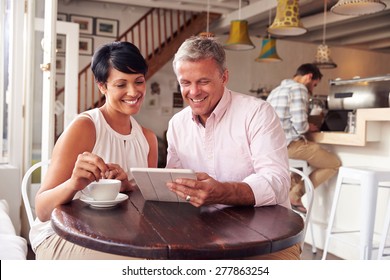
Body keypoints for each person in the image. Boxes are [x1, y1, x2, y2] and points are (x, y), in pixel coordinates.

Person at [165, 36, 300, 260]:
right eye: (185, 83)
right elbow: (175, 187)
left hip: (266, 241)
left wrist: (223, 192)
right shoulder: (176, 124)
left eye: (203, 81)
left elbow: (278, 183)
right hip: (203, 237)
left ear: (224, 77)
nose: (194, 92)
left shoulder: (257, 113)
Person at [30, 41, 158, 259]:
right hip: (64, 234)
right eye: (121, 84)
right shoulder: (86, 127)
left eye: (139, 81)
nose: (133, 91)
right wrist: (73, 184)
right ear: (102, 86)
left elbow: (147, 205)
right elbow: (42, 210)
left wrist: (128, 185)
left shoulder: (148, 138)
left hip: (118, 236)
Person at [267, 63, 341, 213]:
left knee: (300, 166)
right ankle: (295, 195)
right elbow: (300, 125)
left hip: (273, 148)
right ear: (309, 76)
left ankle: (285, 198)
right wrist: (309, 126)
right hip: (290, 145)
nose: (312, 90)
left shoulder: (276, 91)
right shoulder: (299, 88)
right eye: (314, 85)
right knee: (333, 163)